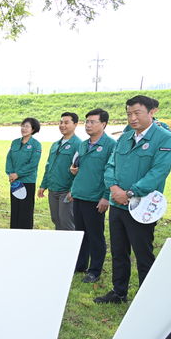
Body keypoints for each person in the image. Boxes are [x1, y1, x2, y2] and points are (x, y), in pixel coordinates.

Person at [95, 95, 171, 304]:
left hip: (142, 206)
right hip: (117, 204)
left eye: (137, 113)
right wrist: (113, 188)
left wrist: (130, 193)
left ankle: (147, 298)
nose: (132, 118)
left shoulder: (164, 138)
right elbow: (111, 165)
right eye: (129, 113)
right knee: (118, 251)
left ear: (151, 112)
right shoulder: (124, 137)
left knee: (143, 253)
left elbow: (158, 172)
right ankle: (119, 292)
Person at [68, 109, 117, 284]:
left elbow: (112, 172)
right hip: (80, 194)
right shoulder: (83, 144)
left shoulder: (111, 145)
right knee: (80, 233)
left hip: (95, 198)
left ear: (103, 124)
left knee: (95, 235)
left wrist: (106, 196)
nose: (88, 125)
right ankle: (80, 264)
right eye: (87, 122)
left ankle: (94, 270)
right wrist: (74, 189)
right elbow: (79, 168)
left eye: (92, 122)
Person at [38, 112, 81, 230]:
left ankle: (70, 247)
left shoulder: (79, 145)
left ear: (75, 124)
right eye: (61, 122)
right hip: (53, 189)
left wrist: (73, 190)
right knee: (56, 220)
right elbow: (49, 166)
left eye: (66, 122)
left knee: (66, 223)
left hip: (66, 191)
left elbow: (80, 171)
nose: (62, 125)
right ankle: (60, 247)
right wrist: (43, 185)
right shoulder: (55, 145)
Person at [6, 117, 42, 229]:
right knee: (15, 209)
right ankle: (14, 231)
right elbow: (9, 159)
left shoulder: (36, 145)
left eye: (27, 126)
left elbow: (33, 164)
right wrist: (10, 174)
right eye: (22, 126)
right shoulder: (15, 142)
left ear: (33, 129)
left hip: (27, 182)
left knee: (25, 211)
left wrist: (18, 174)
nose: (24, 128)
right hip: (15, 182)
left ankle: (26, 233)